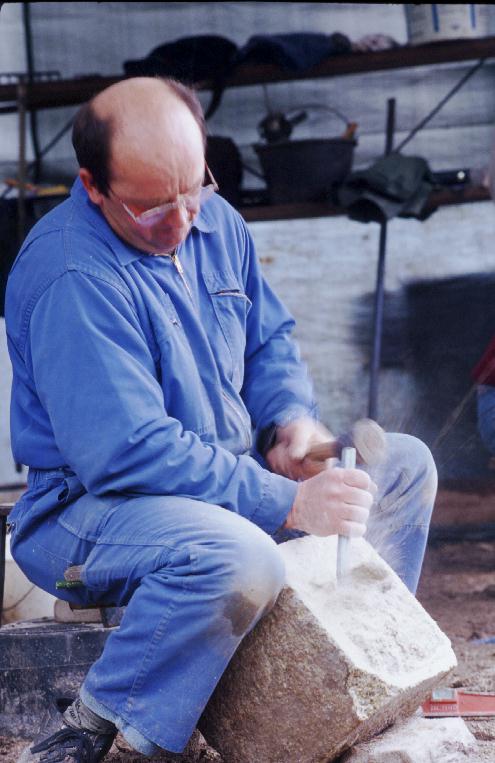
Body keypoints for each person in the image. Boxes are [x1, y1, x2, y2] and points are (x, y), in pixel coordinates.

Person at [5, 77, 437, 762]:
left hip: (219, 477)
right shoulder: (72, 275)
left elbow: (267, 342)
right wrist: (286, 500)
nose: (182, 221)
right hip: (90, 511)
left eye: (193, 189)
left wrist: (288, 424)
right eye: (153, 206)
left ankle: (353, 677)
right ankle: (94, 727)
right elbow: (131, 453)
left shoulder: (215, 221)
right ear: (92, 186)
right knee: (233, 554)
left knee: (404, 467)